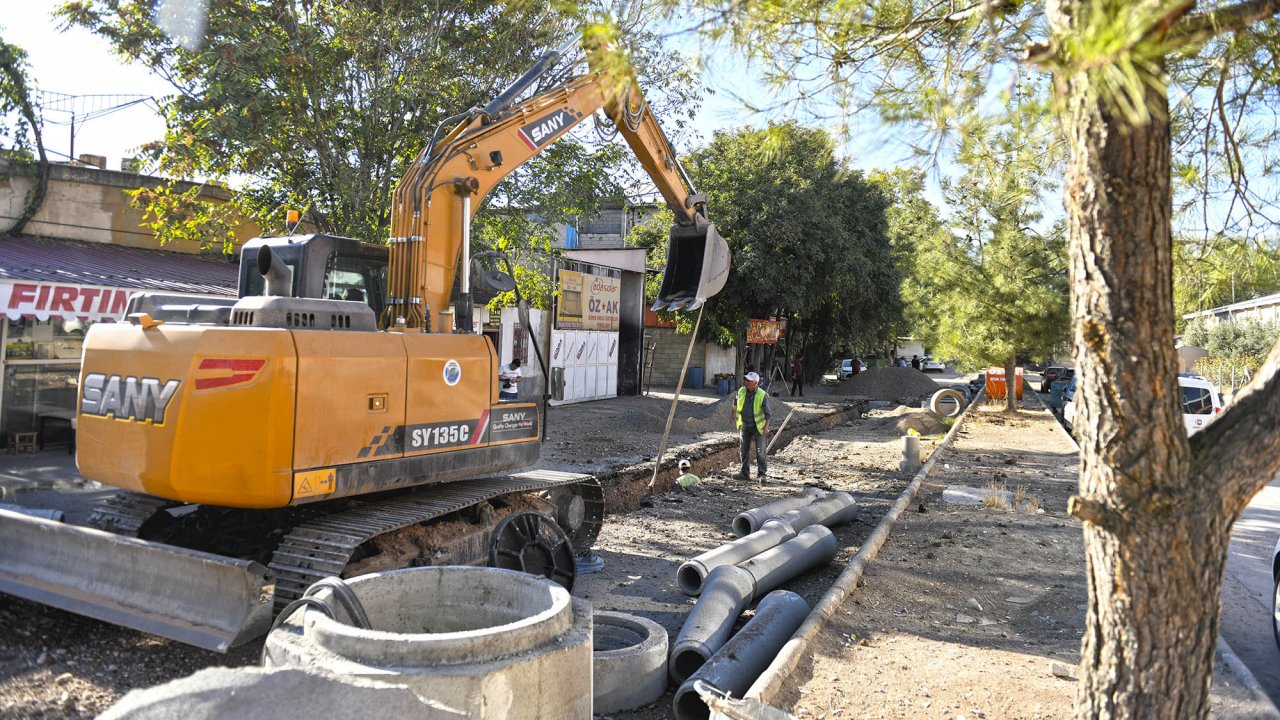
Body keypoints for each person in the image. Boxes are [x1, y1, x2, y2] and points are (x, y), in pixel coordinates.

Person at [732, 371, 771, 482]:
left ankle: (762, 475)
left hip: (758, 428)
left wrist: (766, 427)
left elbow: (768, 414)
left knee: (761, 452)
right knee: (743, 451)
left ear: (755, 383)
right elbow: (735, 403)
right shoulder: (741, 391)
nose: (746, 382)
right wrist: (733, 414)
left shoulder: (762, 395)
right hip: (745, 426)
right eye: (746, 380)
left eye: (749, 381)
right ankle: (744, 474)